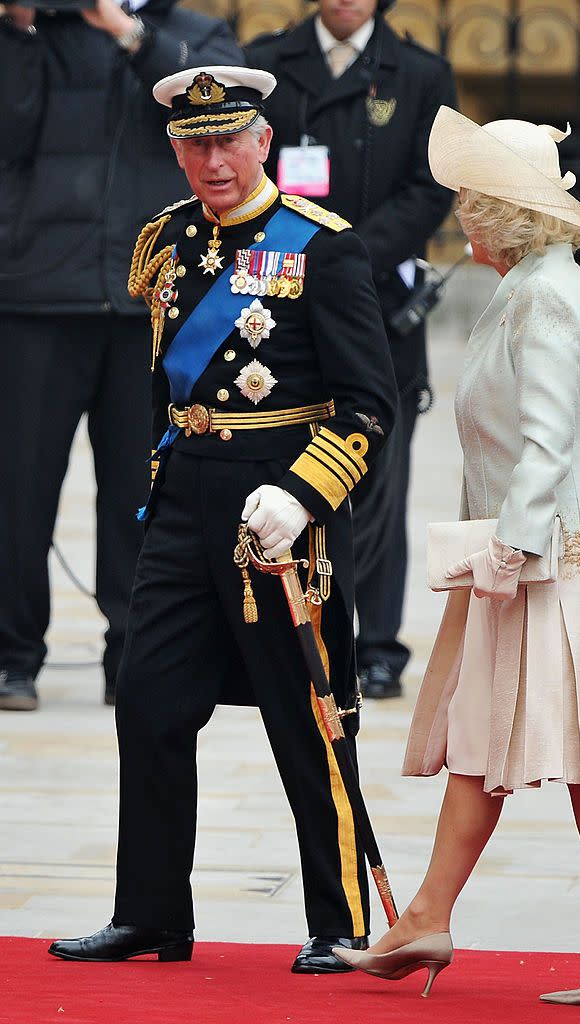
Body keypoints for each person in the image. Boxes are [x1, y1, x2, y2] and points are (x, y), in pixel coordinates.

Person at [47, 65, 398, 974]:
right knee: (150, 702)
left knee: (306, 715)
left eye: (226, 140)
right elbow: (167, 384)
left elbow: (367, 406)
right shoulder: (166, 240)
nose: (212, 160)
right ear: (175, 150)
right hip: (184, 498)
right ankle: (153, 913)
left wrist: (304, 492)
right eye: (192, 144)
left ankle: (342, 918)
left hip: (278, 510)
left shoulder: (323, 248)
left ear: (262, 141)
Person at [334, 106, 580, 1009]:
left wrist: (510, 554)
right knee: (485, 743)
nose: (460, 221)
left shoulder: (547, 299)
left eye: (470, 205)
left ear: (504, 214)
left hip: (551, 562)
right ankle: (426, 918)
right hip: (544, 557)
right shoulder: (539, 288)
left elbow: (545, 444)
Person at [0, 0, 243, 711]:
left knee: (142, 493)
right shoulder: (37, 27)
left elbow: (220, 120)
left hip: (154, 301)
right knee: (18, 488)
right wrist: (16, 29)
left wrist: (128, 33)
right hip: (36, 292)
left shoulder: (195, 33)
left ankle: (133, 652)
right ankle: (13, 656)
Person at [245, 0, 457, 699]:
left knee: (377, 479)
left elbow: (430, 187)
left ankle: (375, 647)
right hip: (275, 303)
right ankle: (280, 626)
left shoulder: (419, 73)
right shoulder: (269, 61)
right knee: (282, 468)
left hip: (376, 305)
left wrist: (344, 261)